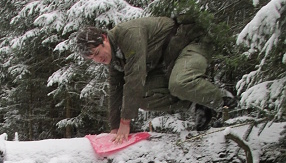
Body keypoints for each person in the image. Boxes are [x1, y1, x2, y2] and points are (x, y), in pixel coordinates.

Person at [76, 18, 237, 140]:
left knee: (179, 83)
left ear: (104, 38)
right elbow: (115, 90)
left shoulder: (128, 34)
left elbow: (135, 77)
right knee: (142, 98)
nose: (98, 59)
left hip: (190, 44)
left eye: (97, 53)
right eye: (93, 59)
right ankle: (198, 105)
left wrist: (125, 122)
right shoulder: (114, 59)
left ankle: (228, 105)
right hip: (170, 63)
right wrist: (114, 128)